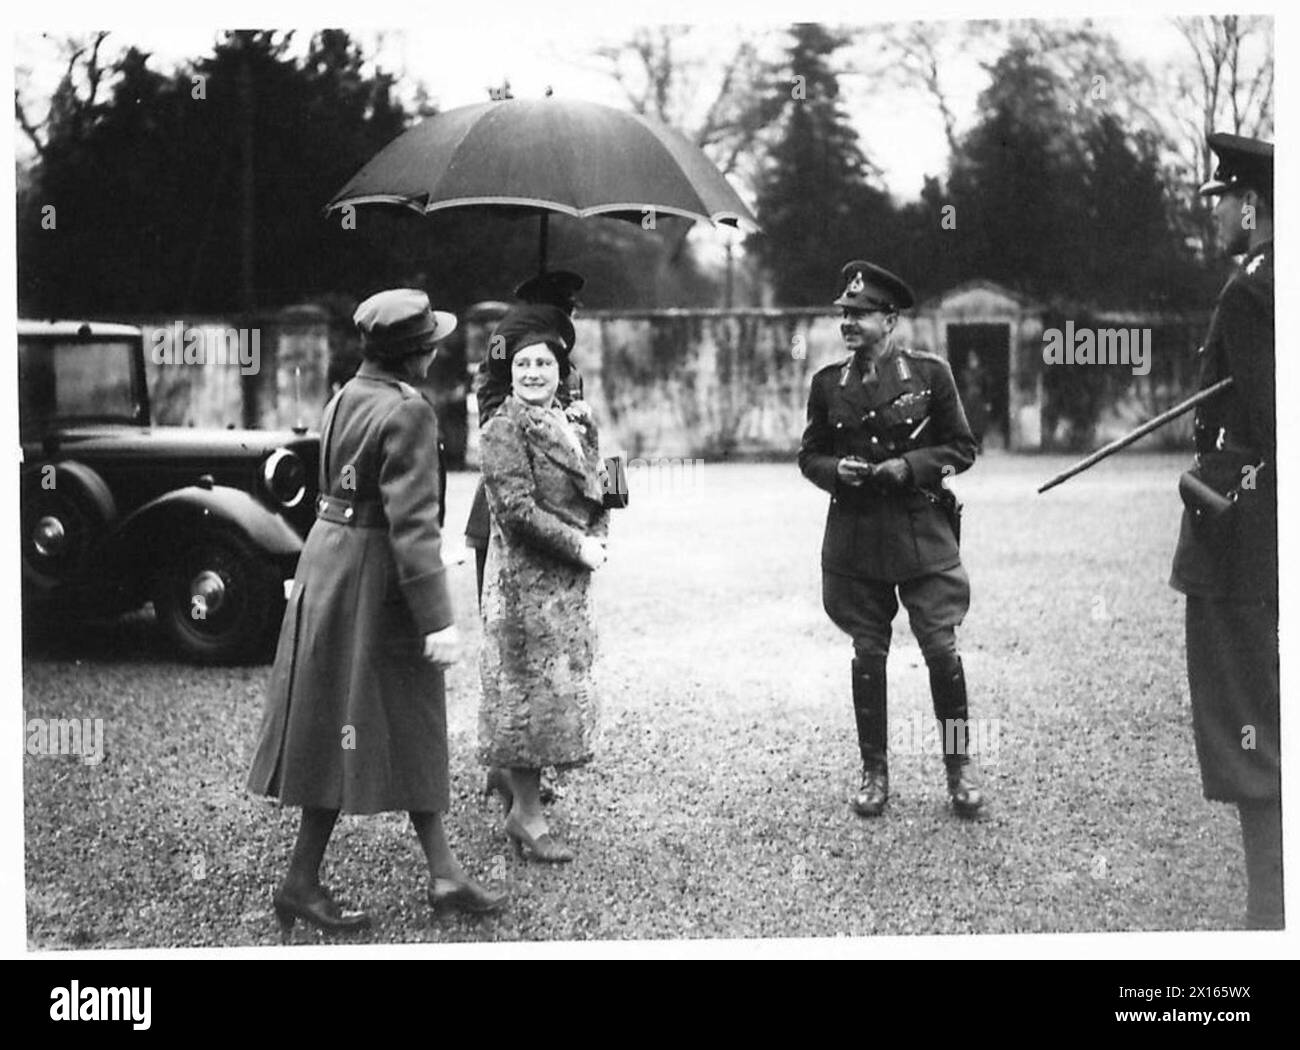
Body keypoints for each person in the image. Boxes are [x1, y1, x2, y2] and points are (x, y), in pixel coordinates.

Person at [248, 288, 507, 938]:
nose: (437, 351)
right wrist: (439, 618)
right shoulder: (409, 411)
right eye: (431, 344)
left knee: (371, 721)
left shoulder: (345, 395)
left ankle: (437, 871)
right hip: (377, 582)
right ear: (416, 353)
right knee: (369, 721)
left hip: (331, 568)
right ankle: (303, 882)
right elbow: (412, 523)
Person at [799, 260, 985, 819]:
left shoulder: (931, 375)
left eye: (859, 314)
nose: (848, 324)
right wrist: (838, 472)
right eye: (844, 315)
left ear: (891, 318)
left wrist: (908, 467)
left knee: (941, 651)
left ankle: (959, 770)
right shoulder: (829, 385)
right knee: (867, 653)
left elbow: (961, 448)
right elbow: (809, 456)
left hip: (920, 530)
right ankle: (874, 771)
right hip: (857, 538)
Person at [1169, 133, 1280, 929]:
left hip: (1245, 542)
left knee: (1254, 735)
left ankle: (1271, 922)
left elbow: (1274, 422)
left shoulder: (1255, 289)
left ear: (1254, 203)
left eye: (1227, 202)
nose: (1222, 217)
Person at [477, 304, 609, 862]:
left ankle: (521, 799)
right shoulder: (502, 428)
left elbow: (597, 487)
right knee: (525, 699)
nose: (533, 373)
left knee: (556, 695)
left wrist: (600, 532)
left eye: (544, 364)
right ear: (510, 372)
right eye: (524, 364)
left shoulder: (577, 421)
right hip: (523, 587)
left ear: (561, 371)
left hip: (567, 589)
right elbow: (515, 511)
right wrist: (578, 544)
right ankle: (526, 816)